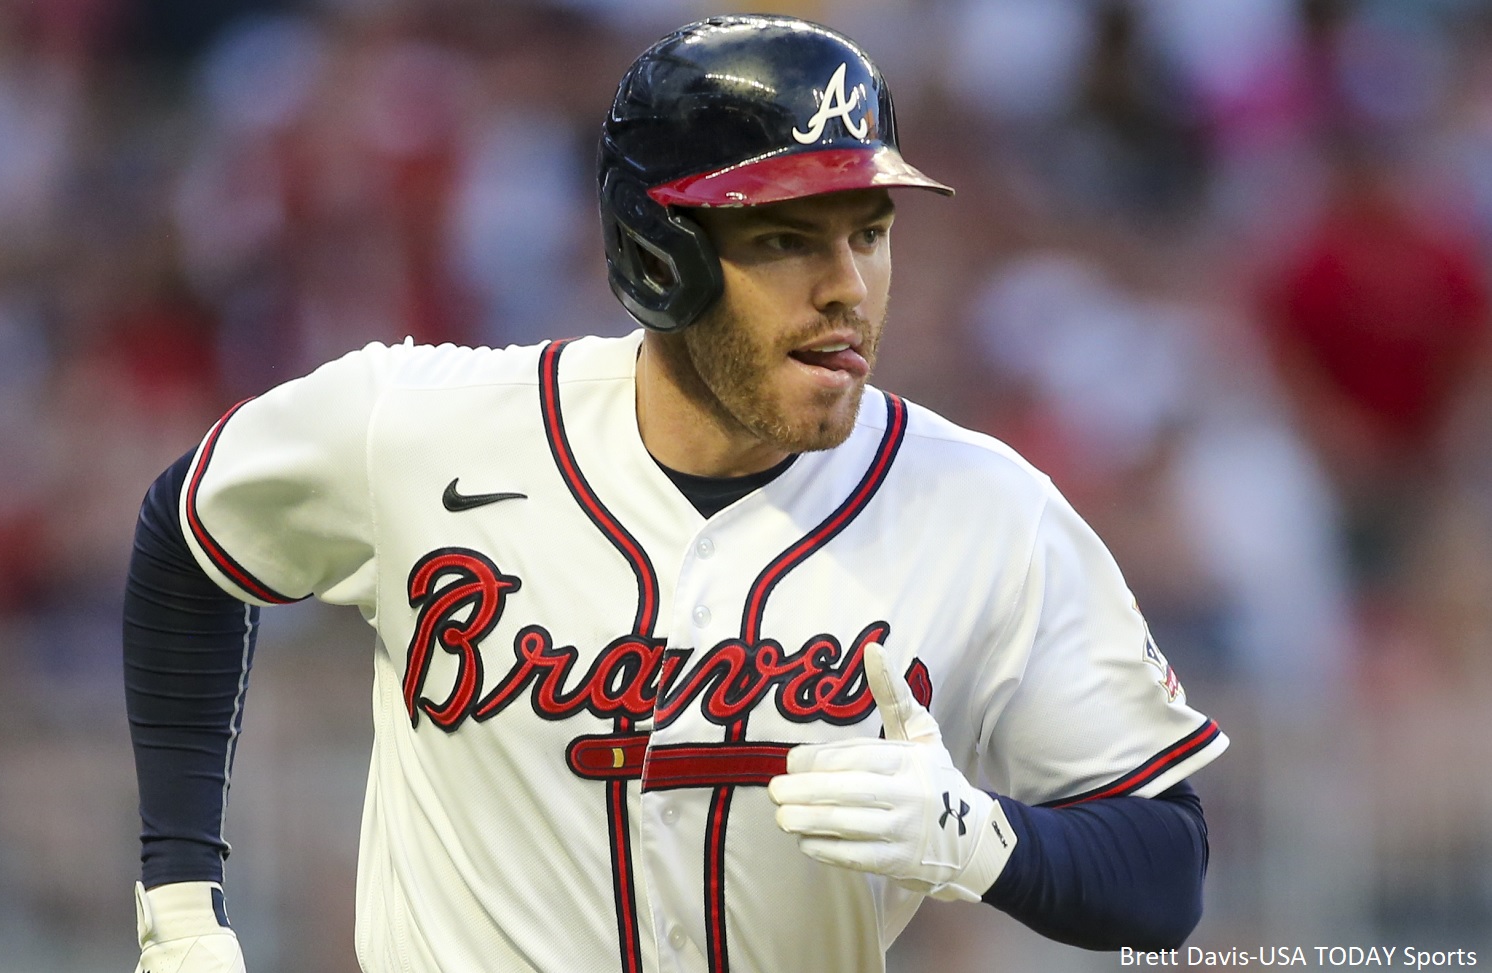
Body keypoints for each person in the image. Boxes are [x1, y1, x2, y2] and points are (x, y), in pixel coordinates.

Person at [125, 14, 1228, 973]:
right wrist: (180, 900)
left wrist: (984, 838)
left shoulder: (986, 507)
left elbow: (1166, 868)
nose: (849, 288)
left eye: (871, 234)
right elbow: (188, 534)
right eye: (788, 239)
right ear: (659, 255)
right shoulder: (416, 425)